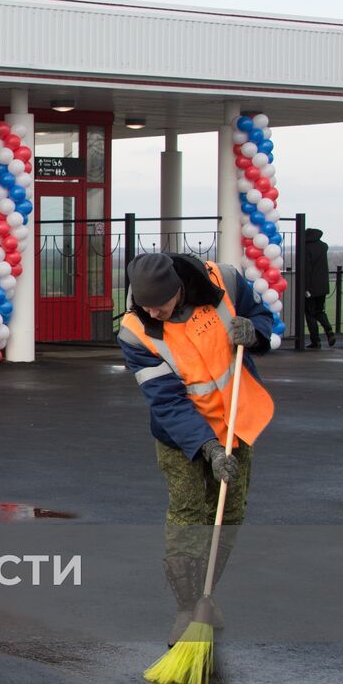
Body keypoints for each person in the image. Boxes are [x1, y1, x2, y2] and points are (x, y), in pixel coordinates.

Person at [118, 253, 275, 645]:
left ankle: (208, 596)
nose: (154, 311)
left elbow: (264, 318)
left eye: (162, 303)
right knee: (188, 515)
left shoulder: (225, 281)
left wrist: (253, 331)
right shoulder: (136, 331)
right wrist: (206, 447)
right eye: (146, 304)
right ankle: (187, 609)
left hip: (238, 423)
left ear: (179, 289)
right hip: (181, 436)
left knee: (228, 515)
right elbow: (166, 400)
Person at [303, 227, 336, 348]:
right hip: (322, 286)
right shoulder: (323, 246)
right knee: (319, 310)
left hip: (310, 286)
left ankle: (316, 340)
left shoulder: (306, 248)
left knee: (309, 312)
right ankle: (329, 331)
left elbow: (307, 269)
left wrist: (306, 288)